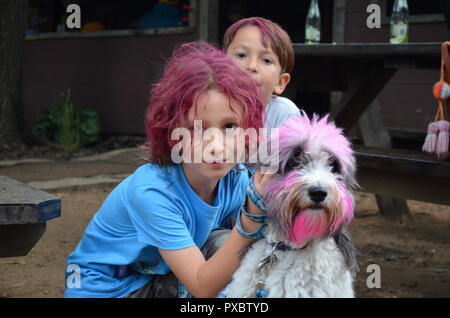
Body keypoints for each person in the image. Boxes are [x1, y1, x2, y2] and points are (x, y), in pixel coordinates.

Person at [64, 42, 271, 298]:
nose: (216, 146)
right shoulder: (153, 192)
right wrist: (251, 220)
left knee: (230, 247)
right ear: (172, 134)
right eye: (197, 129)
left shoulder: (235, 178)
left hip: (156, 277)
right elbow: (202, 286)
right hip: (110, 290)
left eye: (230, 127)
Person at [223, 17, 300, 129]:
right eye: (241, 55)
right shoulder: (207, 104)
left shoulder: (284, 113)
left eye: (266, 60)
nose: (252, 66)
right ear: (220, 65)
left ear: (280, 82)